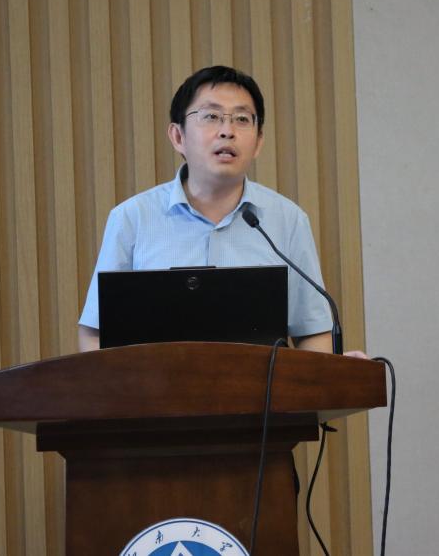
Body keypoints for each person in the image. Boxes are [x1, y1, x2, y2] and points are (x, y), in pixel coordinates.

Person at [77, 65, 340, 354]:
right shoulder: (132, 218)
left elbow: (313, 332)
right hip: (155, 383)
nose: (227, 131)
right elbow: (96, 333)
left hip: (258, 385)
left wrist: (321, 376)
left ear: (258, 142)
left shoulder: (288, 221)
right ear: (178, 136)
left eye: (242, 119)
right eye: (211, 116)